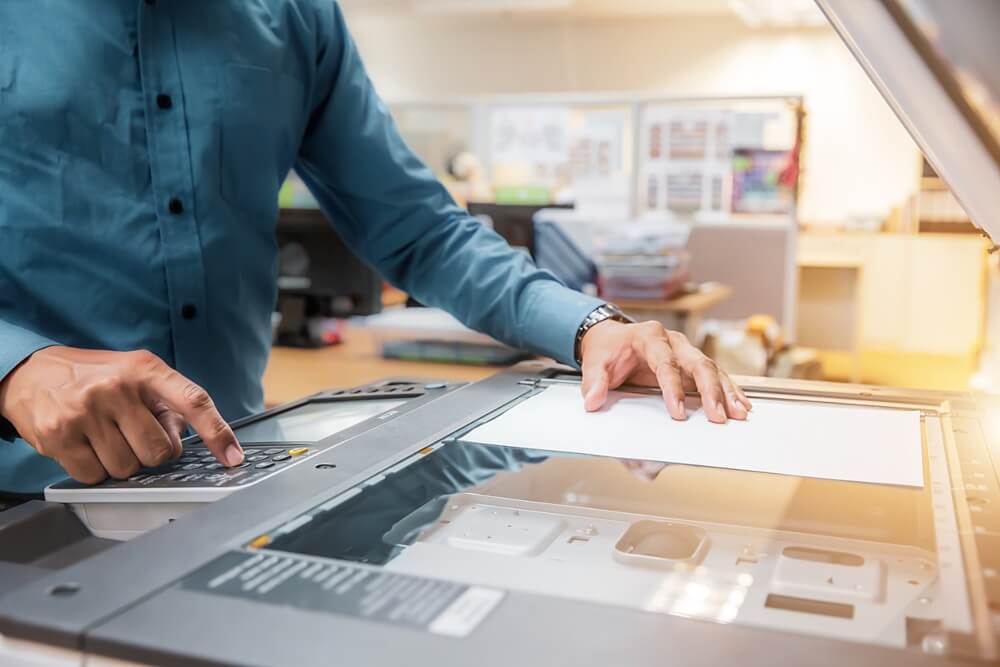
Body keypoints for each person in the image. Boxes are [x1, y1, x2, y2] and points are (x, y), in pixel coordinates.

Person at [0, 0, 750, 495]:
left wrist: (592, 327)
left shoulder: (291, 16)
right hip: (22, 496)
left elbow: (420, 227)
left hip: (232, 486)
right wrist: (16, 368)